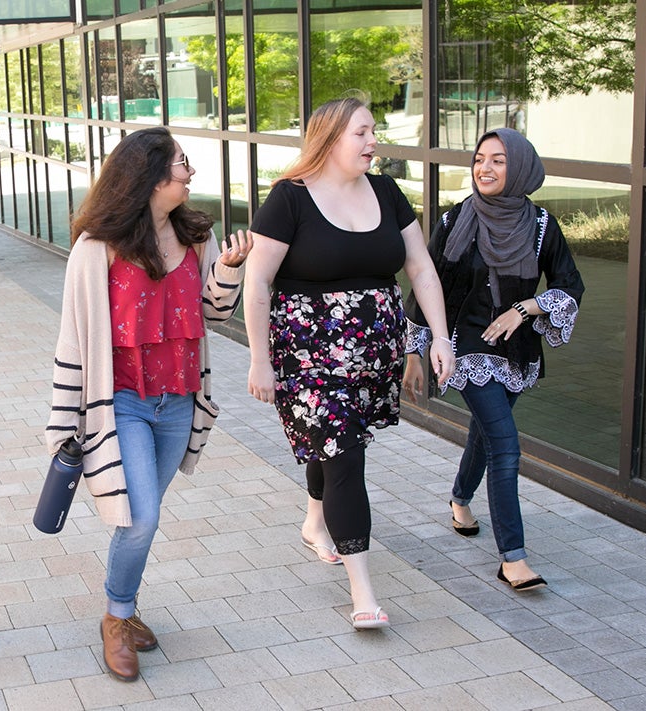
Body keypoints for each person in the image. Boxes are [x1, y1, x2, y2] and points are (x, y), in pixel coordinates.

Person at [241, 97, 455, 630]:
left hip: (374, 353)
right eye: (362, 132)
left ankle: (315, 521)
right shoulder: (289, 199)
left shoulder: (386, 191)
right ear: (330, 137)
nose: (372, 141)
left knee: (335, 446)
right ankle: (364, 592)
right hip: (307, 356)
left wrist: (438, 339)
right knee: (345, 455)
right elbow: (258, 281)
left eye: (374, 132)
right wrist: (259, 361)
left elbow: (421, 269)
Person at [46, 127, 249, 681]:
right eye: (183, 163)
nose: (190, 172)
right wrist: (65, 418)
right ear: (153, 175)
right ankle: (116, 619)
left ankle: (125, 606)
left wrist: (228, 271)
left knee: (141, 517)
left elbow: (212, 315)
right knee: (141, 517)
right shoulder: (97, 248)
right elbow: (73, 336)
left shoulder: (196, 237)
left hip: (178, 401)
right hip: (124, 402)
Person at [404, 128, 583, 591]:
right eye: (480, 158)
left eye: (498, 160)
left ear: (520, 167)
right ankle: (513, 558)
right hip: (465, 347)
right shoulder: (454, 219)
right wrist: (416, 352)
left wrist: (524, 309)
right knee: (507, 445)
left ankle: (460, 497)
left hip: (516, 352)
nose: (484, 168)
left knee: (486, 435)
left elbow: (569, 286)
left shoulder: (542, 225)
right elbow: (429, 286)